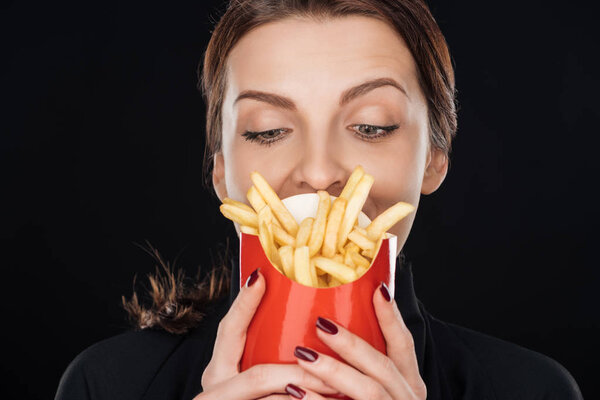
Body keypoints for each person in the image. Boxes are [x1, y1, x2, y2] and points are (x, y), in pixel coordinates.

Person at [55, 0, 583, 399]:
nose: (319, 172)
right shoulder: (107, 384)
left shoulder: (532, 389)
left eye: (371, 126)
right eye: (266, 131)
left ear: (434, 159)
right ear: (220, 172)